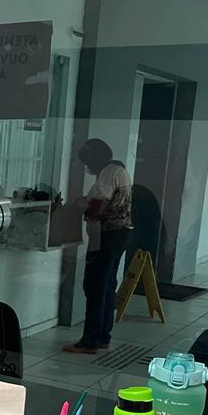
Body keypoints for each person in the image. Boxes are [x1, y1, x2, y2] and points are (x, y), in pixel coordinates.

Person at [64, 139, 133, 354]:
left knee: (94, 286)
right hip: (119, 234)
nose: (87, 167)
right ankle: (103, 336)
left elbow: (98, 208)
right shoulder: (118, 170)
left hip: (106, 236)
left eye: (87, 162)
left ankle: (89, 341)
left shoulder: (107, 173)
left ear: (96, 157)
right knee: (107, 285)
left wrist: (79, 207)